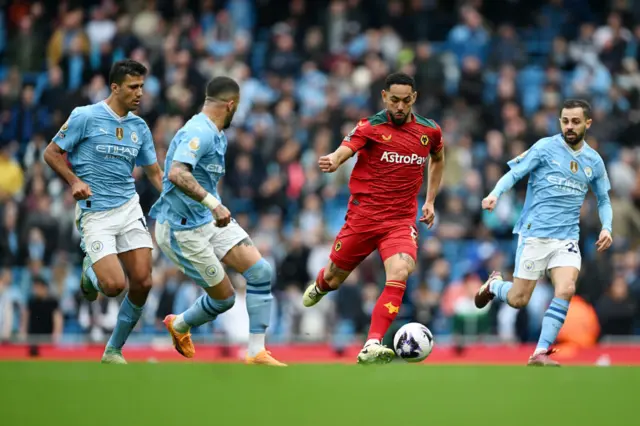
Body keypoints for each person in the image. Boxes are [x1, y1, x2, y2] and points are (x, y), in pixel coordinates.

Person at [301, 72, 446, 365]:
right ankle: (320, 286)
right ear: (384, 97)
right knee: (333, 277)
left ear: (414, 98)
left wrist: (430, 200)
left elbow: (438, 158)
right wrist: (334, 159)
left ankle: (372, 343)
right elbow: (346, 149)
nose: (400, 107)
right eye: (394, 100)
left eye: (406, 101)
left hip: (400, 221)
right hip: (363, 218)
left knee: (401, 271)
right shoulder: (370, 127)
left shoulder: (429, 131)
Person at [150, 76, 285, 366]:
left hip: (206, 219)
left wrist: (212, 205)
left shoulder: (217, 134)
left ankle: (256, 352)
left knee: (261, 271)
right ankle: (180, 325)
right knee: (224, 299)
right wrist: (214, 204)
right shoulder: (199, 131)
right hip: (181, 228)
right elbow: (176, 173)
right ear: (231, 104)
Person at [475, 99, 613, 366]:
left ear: (588, 123)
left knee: (567, 288)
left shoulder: (593, 161)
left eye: (575, 121)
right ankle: (494, 285)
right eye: (565, 120)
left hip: (567, 239)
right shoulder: (545, 147)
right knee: (518, 299)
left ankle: (540, 352)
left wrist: (607, 227)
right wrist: (495, 194)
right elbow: (513, 174)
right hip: (535, 234)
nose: (569, 126)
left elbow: (604, 200)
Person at [44, 59, 163, 364]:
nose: (139, 93)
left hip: (128, 207)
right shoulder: (85, 116)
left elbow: (153, 172)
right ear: (115, 87)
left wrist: (177, 200)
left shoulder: (139, 126)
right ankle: (91, 271)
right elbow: (51, 152)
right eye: (133, 87)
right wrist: (74, 180)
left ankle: (113, 349)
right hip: (95, 211)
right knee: (113, 286)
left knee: (143, 282)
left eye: (142, 87)